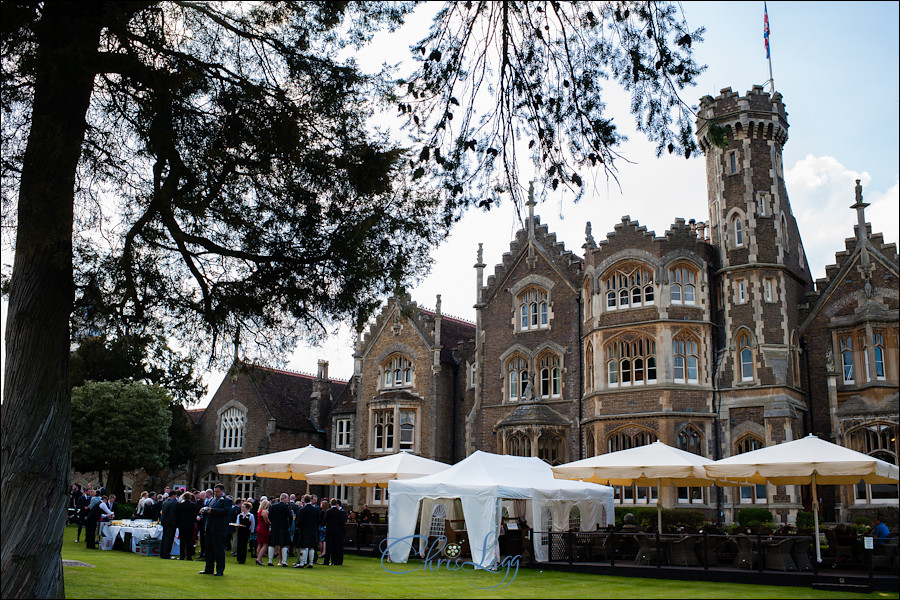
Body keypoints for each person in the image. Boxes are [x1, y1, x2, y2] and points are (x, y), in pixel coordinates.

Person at [198, 483, 230, 576]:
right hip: (209, 528)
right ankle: (208, 568)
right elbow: (209, 509)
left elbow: (226, 511)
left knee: (219, 550)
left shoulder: (226, 500)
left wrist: (212, 511)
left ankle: (220, 570)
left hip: (219, 529)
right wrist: (204, 510)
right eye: (214, 491)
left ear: (222, 491)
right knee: (208, 550)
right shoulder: (213, 500)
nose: (215, 493)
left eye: (217, 492)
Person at [268, 493, 293, 567]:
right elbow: (290, 517)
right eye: (287, 498)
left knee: (272, 544)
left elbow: (270, 516)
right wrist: (289, 524)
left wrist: (273, 522)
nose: (288, 500)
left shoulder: (273, 506)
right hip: (283, 527)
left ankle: (270, 561)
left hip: (274, 527)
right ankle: (284, 562)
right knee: (284, 544)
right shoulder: (286, 506)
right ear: (284, 498)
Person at [294, 495, 319, 568]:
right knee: (311, 547)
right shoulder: (315, 510)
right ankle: (311, 563)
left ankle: (302, 563)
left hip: (304, 530)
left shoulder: (302, 510)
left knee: (304, 547)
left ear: (304, 500)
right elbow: (318, 520)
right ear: (310, 500)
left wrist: (298, 526)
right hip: (313, 530)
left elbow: (300, 521)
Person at [176, 491, 199, 560]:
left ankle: (182, 556)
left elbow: (177, 515)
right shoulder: (193, 505)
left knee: (182, 541)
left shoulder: (180, 505)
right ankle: (189, 556)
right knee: (189, 541)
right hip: (190, 524)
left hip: (182, 525)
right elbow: (195, 515)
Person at [324, 499, 347, 566]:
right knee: (335, 546)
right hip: (337, 531)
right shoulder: (339, 512)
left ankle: (327, 561)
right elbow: (342, 521)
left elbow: (324, 520)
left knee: (328, 546)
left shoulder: (329, 511)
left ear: (330, 504)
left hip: (329, 530)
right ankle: (335, 561)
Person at [160, 491, 178, 559]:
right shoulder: (172, 503)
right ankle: (167, 554)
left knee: (164, 538)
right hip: (170, 523)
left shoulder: (165, 502)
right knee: (169, 539)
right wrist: (174, 523)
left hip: (165, 523)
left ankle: (163, 553)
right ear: (173, 495)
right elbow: (172, 514)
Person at [255, 499, 271, 566]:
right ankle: (259, 559)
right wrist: (271, 523)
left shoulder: (259, 511)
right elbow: (266, 521)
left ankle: (258, 558)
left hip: (259, 528)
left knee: (259, 544)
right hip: (263, 529)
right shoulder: (264, 512)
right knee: (265, 544)